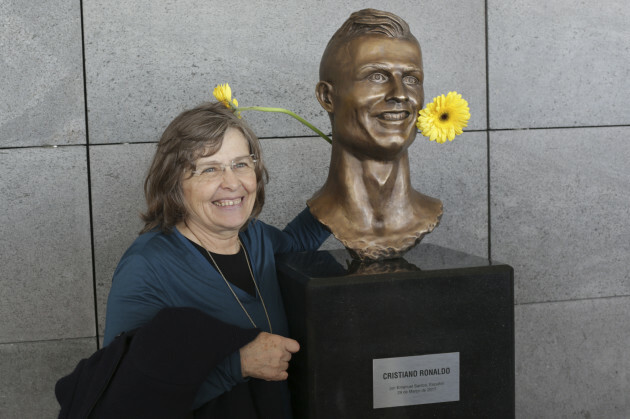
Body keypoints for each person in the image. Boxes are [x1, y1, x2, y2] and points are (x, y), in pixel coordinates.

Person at [83, 101, 328, 417]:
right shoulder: (147, 267)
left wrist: (358, 176)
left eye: (240, 164)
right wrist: (237, 365)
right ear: (174, 182)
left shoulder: (257, 238)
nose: (232, 183)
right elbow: (122, 398)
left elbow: (299, 242)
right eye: (210, 169)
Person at [308, 9, 443, 260]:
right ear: (327, 97)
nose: (400, 94)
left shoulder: (429, 210)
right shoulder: (319, 215)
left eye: (411, 79)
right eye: (377, 76)